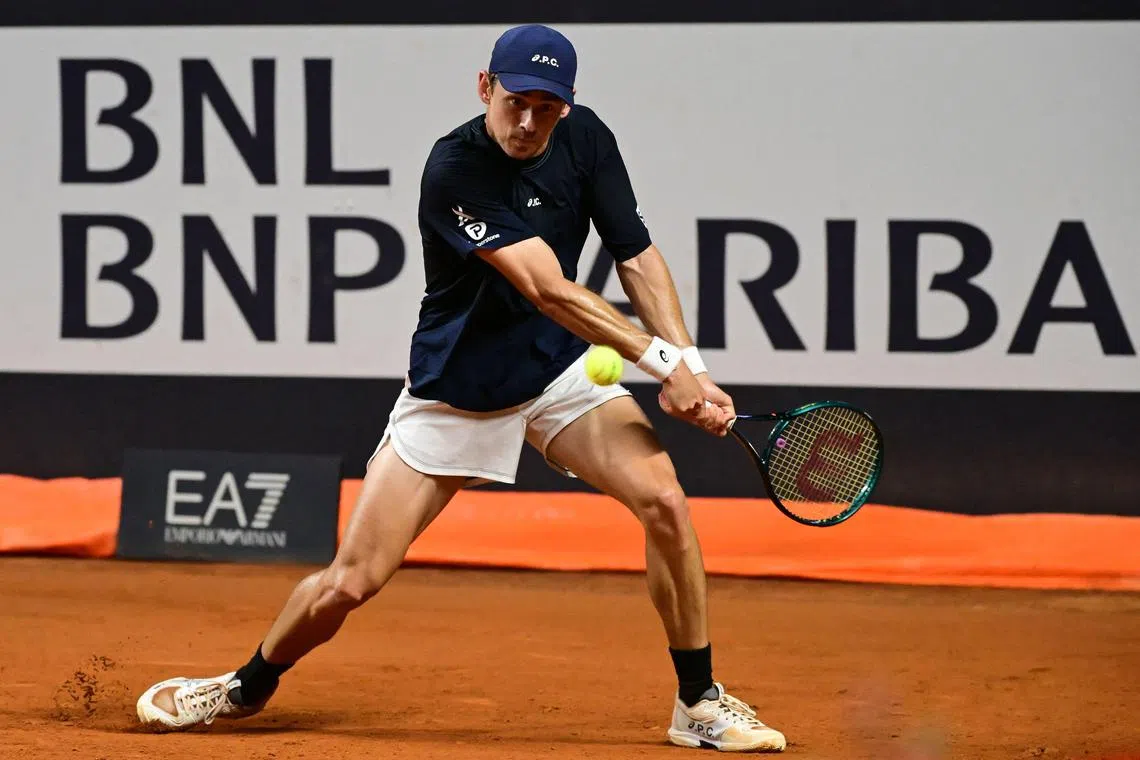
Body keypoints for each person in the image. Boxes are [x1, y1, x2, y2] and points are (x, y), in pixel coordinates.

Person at [134, 23, 787, 753]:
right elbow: (548, 288)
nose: (530, 121)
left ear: (568, 106)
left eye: (548, 107)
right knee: (352, 581)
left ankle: (696, 701)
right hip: (457, 393)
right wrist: (663, 365)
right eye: (516, 102)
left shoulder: (588, 139)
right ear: (486, 88)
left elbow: (634, 254)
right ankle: (244, 686)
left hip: (557, 375)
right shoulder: (455, 169)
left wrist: (691, 363)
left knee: (664, 501)